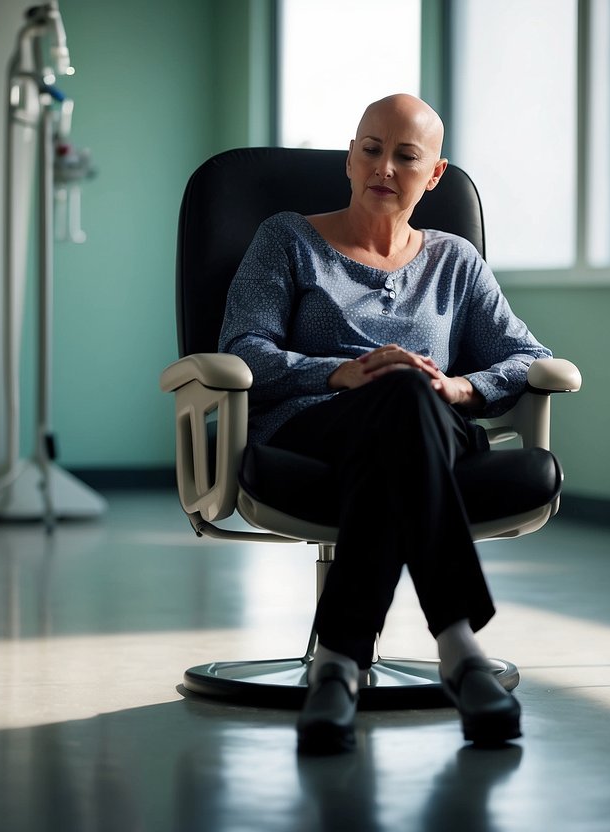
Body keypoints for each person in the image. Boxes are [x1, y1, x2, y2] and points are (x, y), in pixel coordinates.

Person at [217, 94, 553, 755]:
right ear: (349, 156)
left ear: (434, 175)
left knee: (406, 396)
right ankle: (459, 648)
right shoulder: (287, 239)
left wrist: (461, 385)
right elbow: (242, 347)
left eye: (406, 156)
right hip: (312, 424)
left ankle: (336, 667)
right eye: (371, 148)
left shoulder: (453, 260)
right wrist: (338, 372)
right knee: (396, 393)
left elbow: (529, 359)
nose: (384, 167)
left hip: (430, 424)